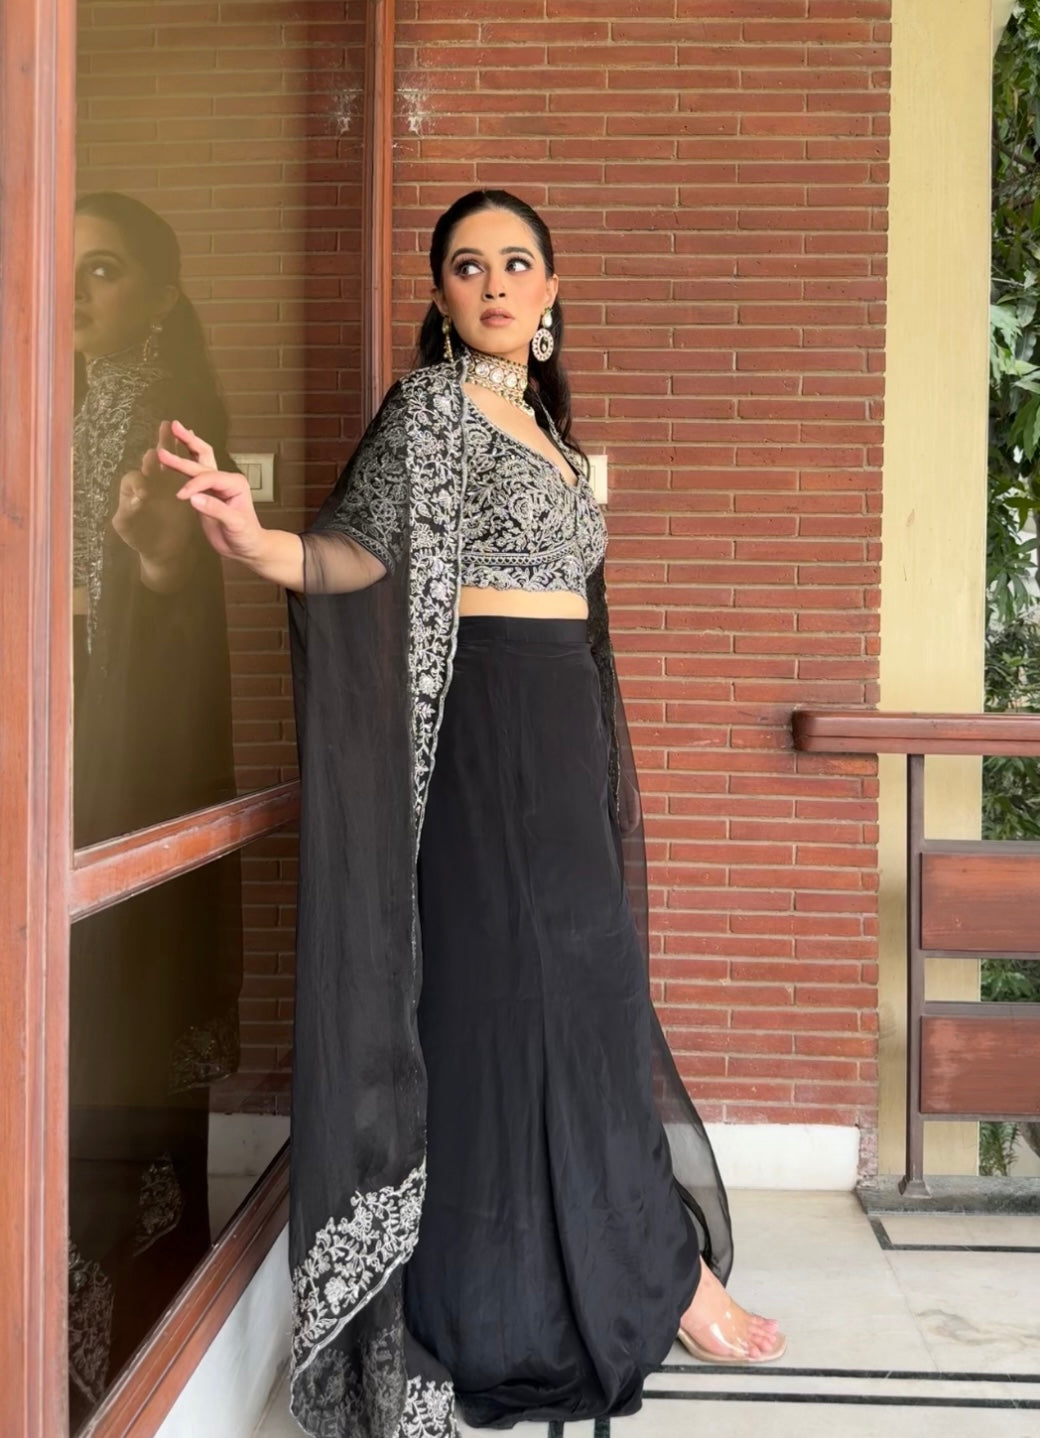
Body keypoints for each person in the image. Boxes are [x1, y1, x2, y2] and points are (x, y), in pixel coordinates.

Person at [160, 190, 785, 1438]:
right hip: (481, 745)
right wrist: (254, 541)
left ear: (550, 291)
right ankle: (507, 1297)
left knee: (594, 993)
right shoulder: (430, 412)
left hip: (557, 743)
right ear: (441, 296)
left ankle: (646, 1263)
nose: (493, 283)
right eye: (465, 265)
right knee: (496, 1005)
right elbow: (352, 556)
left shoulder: (544, 425)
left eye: (514, 263)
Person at [68, 192, 241, 1426]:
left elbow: (172, 567)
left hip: (117, 746)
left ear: (161, 295)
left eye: (105, 269)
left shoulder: (166, 414)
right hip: (61, 732)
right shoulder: (64, 399)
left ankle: (117, 1302)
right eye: (66, 268)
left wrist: (146, 550)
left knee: (117, 999)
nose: (79, 292)